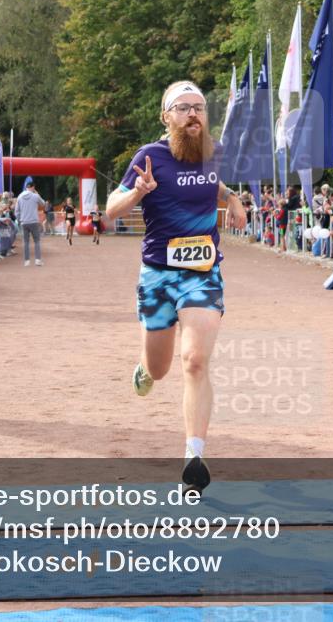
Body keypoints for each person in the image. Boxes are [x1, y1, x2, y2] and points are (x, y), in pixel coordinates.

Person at [105, 79, 245, 493]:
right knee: (160, 368)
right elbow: (110, 210)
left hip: (202, 272)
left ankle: (193, 457)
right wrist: (136, 192)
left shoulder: (214, 154)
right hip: (157, 276)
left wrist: (233, 198)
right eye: (183, 108)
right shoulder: (149, 157)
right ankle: (145, 369)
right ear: (166, 117)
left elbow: (214, 184)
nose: (192, 115)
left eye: (199, 107)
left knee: (195, 361)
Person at [15, 177, 45, 266]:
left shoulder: (19, 196)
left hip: (24, 222)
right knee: (37, 241)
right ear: (33, 187)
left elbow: (17, 211)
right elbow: (43, 204)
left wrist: (19, 220)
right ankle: (38, 260)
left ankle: (27, 261)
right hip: (34, 221)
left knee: (26, 242)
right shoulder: (35, 196)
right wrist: (37, 194)